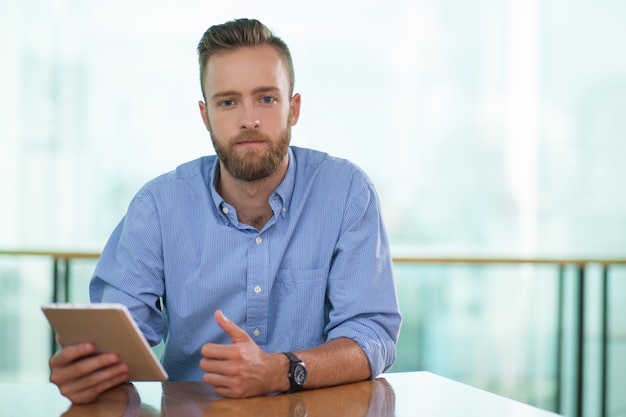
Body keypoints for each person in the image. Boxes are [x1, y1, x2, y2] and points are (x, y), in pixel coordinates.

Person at [49, 18, 401, 404]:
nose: (249, 119)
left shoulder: (347, 193)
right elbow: (118, 335)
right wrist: (88, 368)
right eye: (228, 101)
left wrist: (281, 370)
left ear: (293, 108)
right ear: (205, 116)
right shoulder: (158, 207)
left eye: (266, 98)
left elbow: (371, 333)